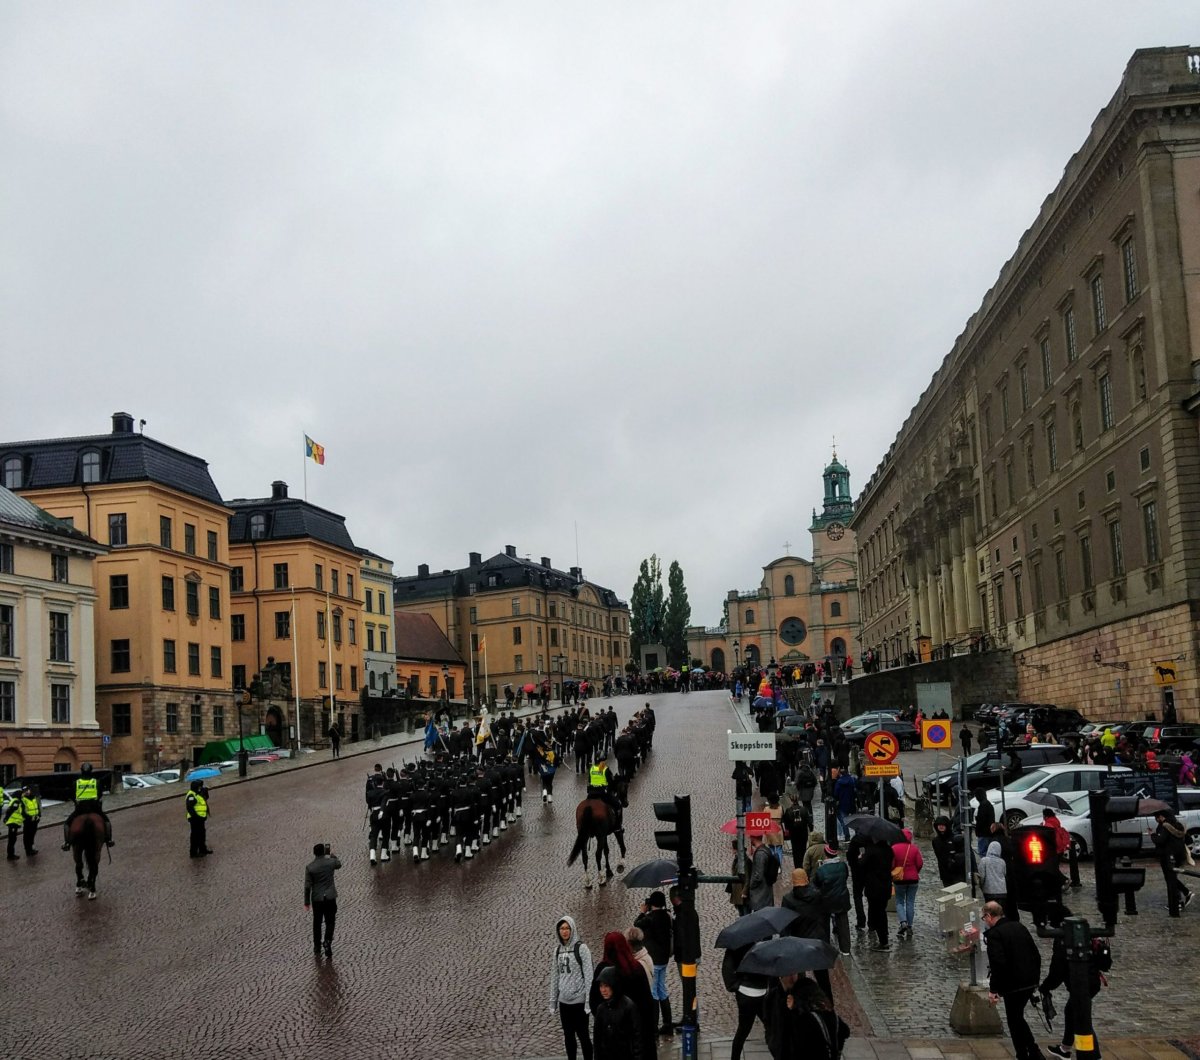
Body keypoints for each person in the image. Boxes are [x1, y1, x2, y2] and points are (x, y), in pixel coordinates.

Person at [1039, 904, 1104, 1060]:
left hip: (1082, 984)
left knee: (1081, 1017)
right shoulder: (1081, 928)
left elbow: (1058, 970)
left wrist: (1046, 986)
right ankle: (1065, 1048)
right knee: (1073, 1012)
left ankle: (1093, 1055)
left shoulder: (1063, 937)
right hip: (1092, 980)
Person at [981, 900, 1043, 1060]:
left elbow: (998, 964)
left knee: (1015, 1020)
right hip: (1029, 980)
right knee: (1017, 1018)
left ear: (988, 916)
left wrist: (993, 990)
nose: (984, 922)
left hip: (1013, 985)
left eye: (984, 918)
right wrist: (1035, 978)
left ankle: (1026, 1053)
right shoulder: (1018, 926)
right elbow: (1036, 954)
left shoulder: (995, 934)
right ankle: (1031, 1051)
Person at [590, 931, 656, 1060]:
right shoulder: (636, 968)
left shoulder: (604, 970)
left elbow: (595, 1003)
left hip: (613, 1039)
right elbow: (648, 1004)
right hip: (638, 1035)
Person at [781, 868, 833, 1000]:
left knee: (799, 976)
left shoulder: (788, 899)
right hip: (817, 941)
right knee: (823, 978)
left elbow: (785, 924)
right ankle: (828, 1003)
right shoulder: (817, 895)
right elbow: (825, 917)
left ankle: (800, 1004)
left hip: (798, 942)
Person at [549, 915, 594, 1060]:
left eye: (567, 928)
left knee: (583, 1036)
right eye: (562, 928)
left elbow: (589, 976)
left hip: (579, 1001)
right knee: (568, 1036)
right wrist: (553, 1000)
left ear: (572, 929)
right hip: (564, 1002)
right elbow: (555, 976)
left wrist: (588, 1000)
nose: (564, 931)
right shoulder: (557, 951)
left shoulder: (582, 949)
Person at [634, 890, 675, 1036]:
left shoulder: (649, 918)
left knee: (653, 992)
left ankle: (654, 1027)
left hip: (653, 961)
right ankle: (668, 1023)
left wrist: (642, 912)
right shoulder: (667, 916)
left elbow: (636, 925)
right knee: (662, 989)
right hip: (664, 959)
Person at [721, 941, 771, 1060]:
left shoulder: (736, 945)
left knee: (743, 1030)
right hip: (761, 992)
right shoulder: (764, 945)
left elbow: (727, 968)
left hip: (745, 993)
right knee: (771, 1026)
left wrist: (735, 986)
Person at [592, 966, 642, 1060]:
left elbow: (637, 1037)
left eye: (606, 986)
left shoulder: (628, 1007)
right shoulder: (601, 1009)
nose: (603, 990)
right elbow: (597, 1039)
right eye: (601, 986)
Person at [61, 762, 113, 850]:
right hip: (94, 808)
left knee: (67, 824)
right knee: (107, 821)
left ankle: (67, 843)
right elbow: (100, 794)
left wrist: (76, 801)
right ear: (91, 771)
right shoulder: (96, 782)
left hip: (80, 809)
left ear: (81, 771)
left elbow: (72, 795)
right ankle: (109, 840)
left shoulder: (76, 783)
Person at [1151, 810, 1193, 917]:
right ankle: (1184, 895)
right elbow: (1189, 839)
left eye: (1156, 817)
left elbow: (1160, 840)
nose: (1156, 820)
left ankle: (1178, 902)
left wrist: (1152, 835)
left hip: (1167, 856)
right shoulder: (1178, 825)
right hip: (1178, 856)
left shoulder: (1164, 826)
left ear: (1161, 817)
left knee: (1170, 879)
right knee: (1172, 878)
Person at [303, 842, 341, 958]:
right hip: (330, 897)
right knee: (330, 921)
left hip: (317, 899)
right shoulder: (330, 862)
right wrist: (333, 855)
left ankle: (317, 947)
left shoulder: (310, 867)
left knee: (317, 923)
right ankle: (327, 941)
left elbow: (307, 886)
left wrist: (306, 902)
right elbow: (338, 864)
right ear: (324, 851)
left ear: (314, 853)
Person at [814, 843, 852, 955]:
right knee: (843, 923)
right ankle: (845, 949)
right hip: (842, 898)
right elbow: (845, 877)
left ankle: (826, 946)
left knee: (824, 923)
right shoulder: (843, 866)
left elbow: (816, 884)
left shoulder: (821, 870)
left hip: (827, 900)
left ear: (825, 854)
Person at [890, 827, 924, 938]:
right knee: (910, 902)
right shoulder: (914, 849)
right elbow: (919, 863)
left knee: (899, 901)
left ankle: (903, 922)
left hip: (899, 880)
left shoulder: (894, 848)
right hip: (913, 879)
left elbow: (892, 864)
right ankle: (909, 926)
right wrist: (915, 872)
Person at [861, 837, 894, 950]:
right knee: (881, 912)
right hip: (886, 886)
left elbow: (862, 866)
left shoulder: (871, 851)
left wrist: (861, 858)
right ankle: (884, 936)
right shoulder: (889, 850)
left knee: (878, 913)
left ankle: (883, 941)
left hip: (874, 887)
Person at [747, 833, 776, 911]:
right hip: (765, 894)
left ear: (753, 837)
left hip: (761, 895)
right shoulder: (765, 850)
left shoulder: (760, 854)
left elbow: (758, 876)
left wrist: (751, 885)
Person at [185, 779, 212, 858]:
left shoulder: (198, 793)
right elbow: (190, 808)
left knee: (202, 834)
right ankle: (193, 853)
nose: (201, 788)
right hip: (195, 819)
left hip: (200, 818)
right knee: (195, 836)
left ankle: (202, 849)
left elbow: (205, 798)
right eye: (200, 786)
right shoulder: (191, 795)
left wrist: (205, 792)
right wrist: (197, 817)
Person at [973, 788, 996, 857]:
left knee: (983, 853)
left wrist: (977, 819)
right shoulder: (988, 804)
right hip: (988, 833)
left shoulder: (983, 806)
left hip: (983, 833)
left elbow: (981, 821)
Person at [4, 790, 25, 860]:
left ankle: (11, 854)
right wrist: (6, 819)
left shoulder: (17, 801)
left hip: (15, 823)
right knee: (12, 840)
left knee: (13, 839)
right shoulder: (16, 802)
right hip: (13, 823)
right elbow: (10, 811)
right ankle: (10, 855)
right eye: (22, 794)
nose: (23, 795)